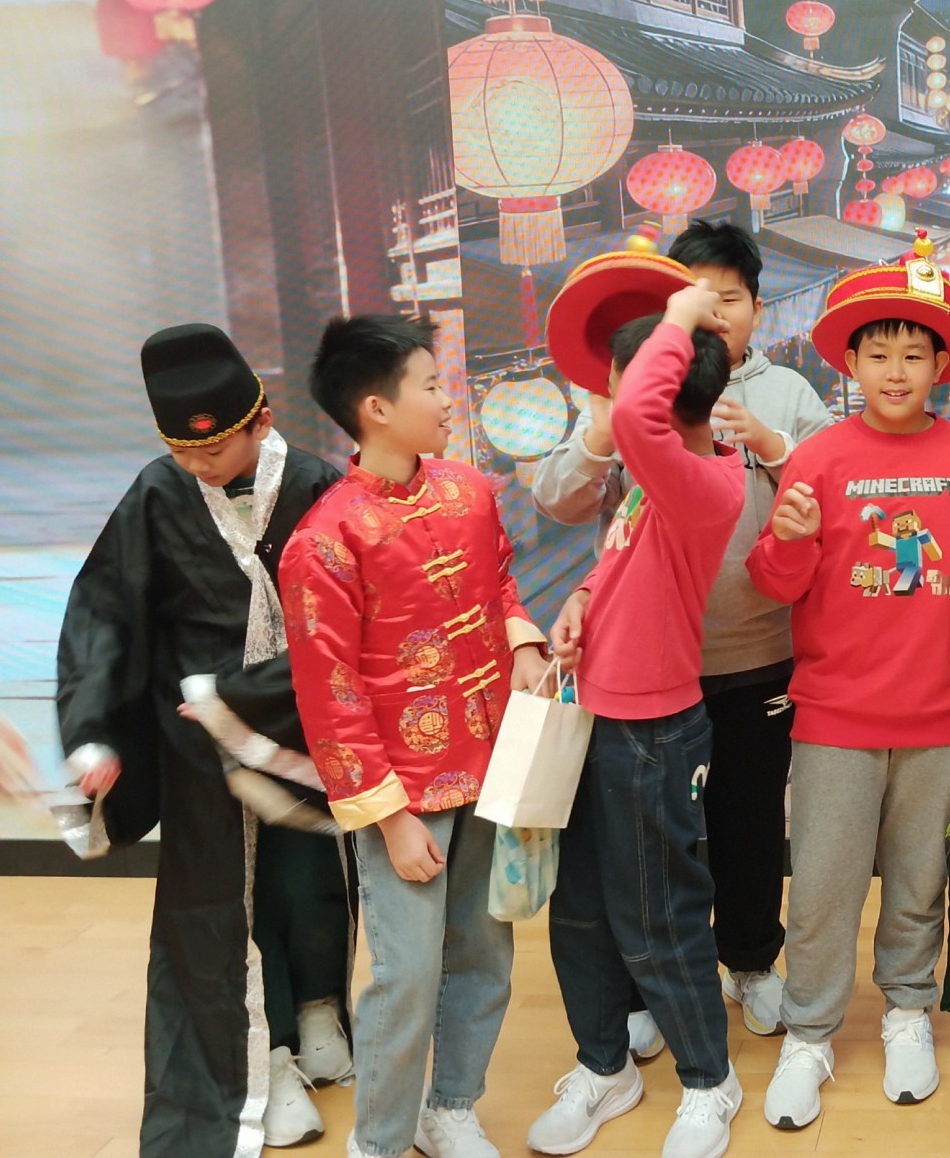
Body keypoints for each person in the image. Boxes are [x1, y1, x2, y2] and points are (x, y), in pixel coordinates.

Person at [533, 221, 832, 1052]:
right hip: (643, 672)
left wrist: (772, 447)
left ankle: (750, 959)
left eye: (728, 298)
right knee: (650, 844)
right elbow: (561, 500)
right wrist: (605, 424)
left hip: (757, 649)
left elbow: (835, 487)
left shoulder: (785, 392)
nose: (714, 311)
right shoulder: (632, 390)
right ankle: (649, 980)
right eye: (694, 296)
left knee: (747, 824)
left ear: (756, 307)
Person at [55, 323, 352, 1156]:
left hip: (303, 722)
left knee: (314, 878)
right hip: (199, 740)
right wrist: (92, 733)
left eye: (213, 448)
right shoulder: (157, 493)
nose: (197, 464)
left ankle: (320, 1013)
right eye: (182, 451)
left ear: (261, 420)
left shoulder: (318, 484)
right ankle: (267, 1057)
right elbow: (105, 613)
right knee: (224, 904)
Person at [746, 235, 950, 1131]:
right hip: (835, 716)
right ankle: (808, 1032)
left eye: (914, 354)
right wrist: (789, 537)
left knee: (920, 881)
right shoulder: (818, 457)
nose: (896, 371)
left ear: (940, 364)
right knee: (821, 884)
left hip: (941, 716)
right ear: (849, 363)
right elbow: (775, 582)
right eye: (880, 354)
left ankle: (906, 1011)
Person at [282, 313, 547, 1158]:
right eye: (431, 385)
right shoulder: (324, 541)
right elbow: (331, 697)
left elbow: (499, 583)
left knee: (486, 948)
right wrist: (391, 817)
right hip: (402, 791)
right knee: (406, 973)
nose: (447, 397)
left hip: (490, 761)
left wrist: (524, 641)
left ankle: (451, 1106)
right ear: (376, 408)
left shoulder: (469, 491)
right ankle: (380, 1139)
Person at [533, 273, 750, 1158]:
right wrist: (583, 598)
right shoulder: (648, 481)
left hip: (654, 734)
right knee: (580, 910)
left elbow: (631, 418)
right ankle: (605, 1064)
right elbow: (621, 557)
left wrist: (679, 317)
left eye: (620, 378)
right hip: (592, 714)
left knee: (659, 918)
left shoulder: (704, 480)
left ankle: (709, 1079)